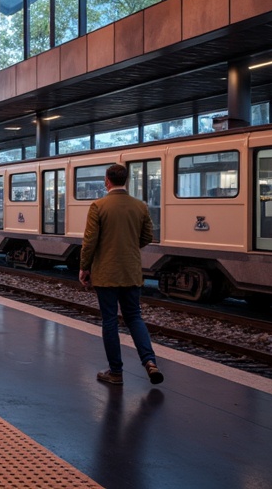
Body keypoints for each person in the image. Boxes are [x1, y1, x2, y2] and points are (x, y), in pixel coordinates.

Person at [79, 163, 163, 386]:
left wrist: (84, 267)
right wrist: (128, 246)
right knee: (134, 317)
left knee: (110, 321)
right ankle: (150, 362)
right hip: (131, 271)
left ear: (107, 180)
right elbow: (147, 237)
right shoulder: (140, 206)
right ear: (125, 180)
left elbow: (89, 242)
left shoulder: (98, 206)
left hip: (106, 273)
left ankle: (116, 372)